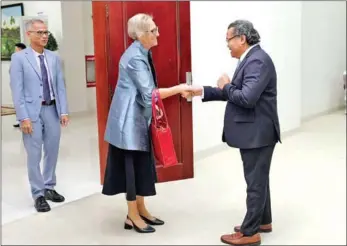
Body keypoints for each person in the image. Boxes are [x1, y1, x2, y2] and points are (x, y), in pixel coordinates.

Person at [190, 20, 281, 246]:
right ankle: (263, 221)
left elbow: (246, 98)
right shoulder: (250, 59)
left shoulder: (257, 61)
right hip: (255, 131)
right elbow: (234, 93)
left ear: (242, 38)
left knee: (255, 182)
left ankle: (250, 233)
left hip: (257, 133)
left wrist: (227, 85)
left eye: (228, 40)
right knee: (258, 179)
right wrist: (202, 91)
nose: (227, 45)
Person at [102, 13, 191, 234]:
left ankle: (141, 209)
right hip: (128, 124)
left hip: (138, 119)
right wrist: (179, 88)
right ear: (141, 35)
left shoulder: (142, 52)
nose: (157, 33)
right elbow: (149, 94)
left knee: (141, 166)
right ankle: (131, 215)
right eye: (153, 30)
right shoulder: (134, 58)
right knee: (131, 170)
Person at [10, 19, 69, 213]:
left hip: (52, 110)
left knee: (52, 151)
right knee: (34, 155)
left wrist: (64, 110)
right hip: (31, 113)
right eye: (39, 32)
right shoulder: (19, 58)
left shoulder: (53, 58)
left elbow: (60, 86)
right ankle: (38, 194)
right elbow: (17, 90)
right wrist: (23, 117)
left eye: (46, 32)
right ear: (29, 35)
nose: (44, 36)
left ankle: (49, 186)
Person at [11, 42, 27, 128]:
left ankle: (22, 120)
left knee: (22, 102)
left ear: (21, 49)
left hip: (24, 85)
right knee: (17, 101)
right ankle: (19, 120)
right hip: (16, 85)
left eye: (16, 49)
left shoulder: (25, 58)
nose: (15, 51)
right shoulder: (15, 58)